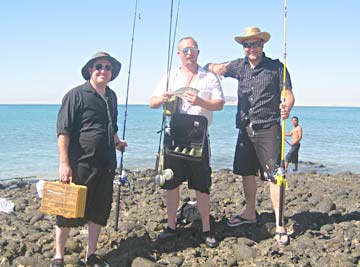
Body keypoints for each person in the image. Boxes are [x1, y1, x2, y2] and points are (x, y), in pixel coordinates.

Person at [205, 27, 295, 246]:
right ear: (243, 47)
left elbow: (288, 94)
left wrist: (287, 106)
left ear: (263, 45)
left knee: (275, 176)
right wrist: (215, 67)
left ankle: (279, 223)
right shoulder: (238, 66)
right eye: (247, 45)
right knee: (247, 173)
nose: (251, 48)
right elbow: (210, 67)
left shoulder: (276, 68)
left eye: (255, 44)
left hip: (269, 128)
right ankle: (250, 212)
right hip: (245, 128)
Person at [53, 52, 127, 267]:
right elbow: (63, 131)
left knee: (98, 211)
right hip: (80, 164)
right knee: (67, 211)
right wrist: (64, 164)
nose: (103, 70)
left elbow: (110, 125)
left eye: (108, 67)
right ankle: (58, 257)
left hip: (106, 165)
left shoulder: (111, 96)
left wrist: (117, 142)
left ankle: (91, 255)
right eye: (99, 66)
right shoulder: (75, 95)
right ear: (90, 70)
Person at [150, 37, 225, 248]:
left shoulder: (208, 77)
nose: (189, 53)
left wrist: (200, 101)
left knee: (202, 186)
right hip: (173, 136)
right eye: (185, 50)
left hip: (199, 138)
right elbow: (152, 103)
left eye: (192, 49)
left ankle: (207, 229)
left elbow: (219, 104)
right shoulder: (169, 76)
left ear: (198, 52)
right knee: (171, 183)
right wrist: (162, 98)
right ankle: (171, 226)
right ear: (178, 54)